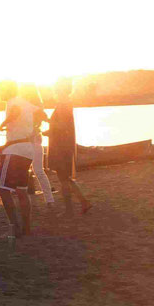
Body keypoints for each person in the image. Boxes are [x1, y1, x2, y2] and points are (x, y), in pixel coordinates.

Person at [0, 81, 38, 237]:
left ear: (7, 90)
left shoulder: (13, 102)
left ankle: (14, 227)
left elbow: (15, 112)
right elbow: (42, 113)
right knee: (21, 191)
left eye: (1, 89)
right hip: (27, 149)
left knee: (3, 190)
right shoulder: (27, 102)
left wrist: (3, 123)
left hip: (14, 151)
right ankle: (26, 228)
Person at [45, 78, 93, 214]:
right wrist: (51, 129)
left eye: (55, 89)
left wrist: (49, 125)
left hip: (61, 147)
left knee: (63, 178)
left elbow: (62, 126)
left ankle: (69, 209)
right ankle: (83, 202)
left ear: (59, 90)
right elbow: (63, 126)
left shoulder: (63, 105)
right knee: (65, 177)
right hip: (63, 144)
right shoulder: (66, 104)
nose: (54, 91)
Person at [20, 85, 55, 206]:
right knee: (33, 170)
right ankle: (47, 198)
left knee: (38, 170)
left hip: (33, 140)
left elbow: (46, 119)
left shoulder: (33, 108)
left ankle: (49, 199)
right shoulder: (26, 107)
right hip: (30, 140)